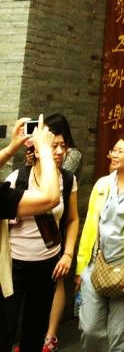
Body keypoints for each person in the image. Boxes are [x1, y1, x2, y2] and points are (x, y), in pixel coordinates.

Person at [0, 116, 79, 352]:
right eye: (52, 145)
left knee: (35, 330)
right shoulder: (17, 178)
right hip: (13, 264)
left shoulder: (68, 180)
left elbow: (72, 219)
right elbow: (49, 199)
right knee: (6, 328)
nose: (59, 151)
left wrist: (67, 254)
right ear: (36, 149)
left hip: (46, 264)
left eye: (63, 145)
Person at [75, 133, 124, 352]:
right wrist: (81, 267)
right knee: (90, 330)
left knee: (120, 338)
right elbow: (89, 226)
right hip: (95, 266)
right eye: (114, 150)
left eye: (121, 151)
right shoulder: (102, 185)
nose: (114, 154)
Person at [0, 117, 60, 308]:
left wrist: (11, 148)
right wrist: (44, 149)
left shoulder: (68, 179)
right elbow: (50, 198)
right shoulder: (14, 181)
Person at [43, 113, 83, 352]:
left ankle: (51, 336)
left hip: (57, 223)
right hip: (36, 225)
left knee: (56, 279)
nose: (57, 150)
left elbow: (57, 181)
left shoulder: (72, 155)